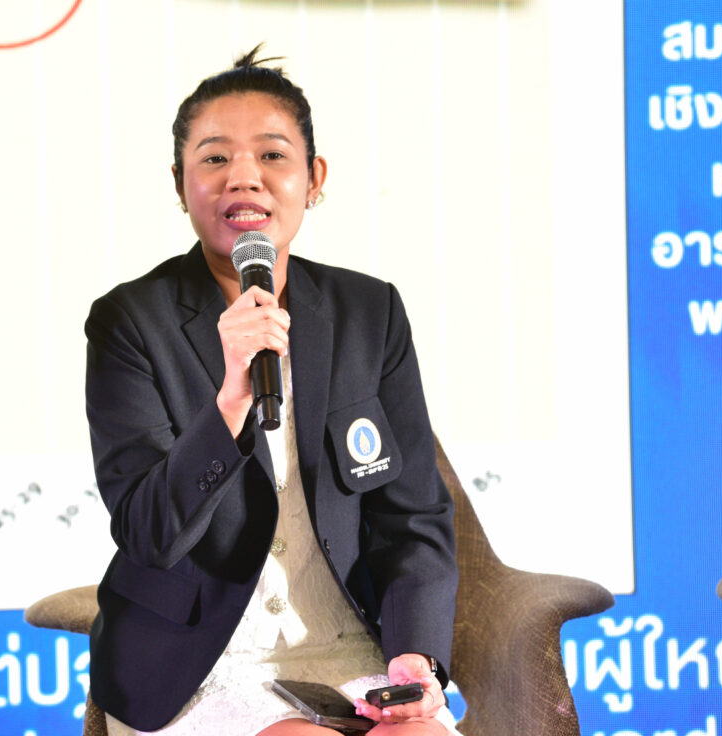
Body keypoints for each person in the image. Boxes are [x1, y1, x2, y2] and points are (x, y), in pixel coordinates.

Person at [85, 46, 460, 735]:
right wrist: (230, 400)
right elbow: (147, 532)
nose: (244, 178)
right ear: (180, 184)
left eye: (272, 155)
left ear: (314, 179)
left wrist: (415, 654)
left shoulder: (369, 312)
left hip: (351, 649)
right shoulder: (129, 323)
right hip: (196, 666)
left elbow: (413, 518)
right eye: (215, 158)